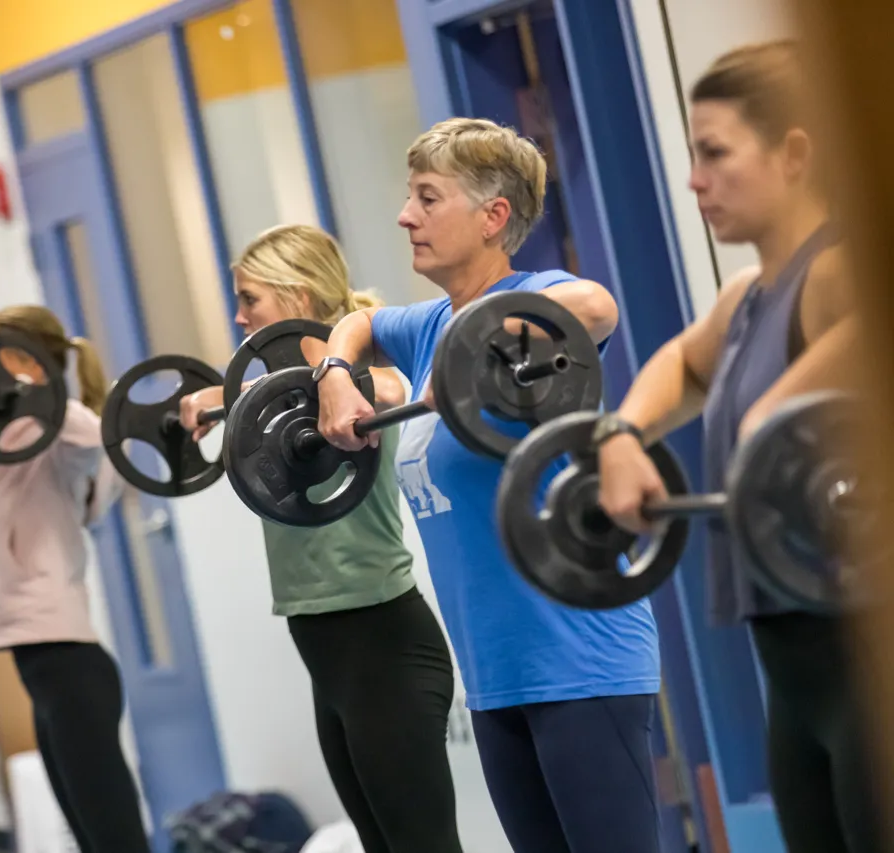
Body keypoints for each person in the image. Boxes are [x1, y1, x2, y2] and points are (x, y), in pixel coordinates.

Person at [315, 119, 662, 853]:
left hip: (582, 661)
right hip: (498, 676)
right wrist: (335, 379)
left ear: (493, 216)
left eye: (427, 198)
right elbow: (357, 321)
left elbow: (599, 306)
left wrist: (487, 341)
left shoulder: (539, 298)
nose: (405, 216)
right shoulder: (425, 324)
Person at [594, 41, 881, 852]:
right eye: (692, 155)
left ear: (794, 153)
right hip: (792, 673)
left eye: (714, 153)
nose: (694, 179)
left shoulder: (842, 275)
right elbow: (683, 362)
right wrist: (621, 433)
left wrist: (770, 424)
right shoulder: (745, 299)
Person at [179, 224, 463, 853]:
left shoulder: (360, 374)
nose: (238, 314)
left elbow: (392, 391)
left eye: (250, 298)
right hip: (324, 648)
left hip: (383, 643)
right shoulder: (273, 400)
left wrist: (233, 393)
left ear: (298, 296)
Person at [0, 306, 150, 853]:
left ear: (29, 363)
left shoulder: (59, 430)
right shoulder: (12, 433)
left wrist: (16, 396)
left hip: (68, 661)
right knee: (93, 841)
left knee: (117, 843)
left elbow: (95, 434)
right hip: (43, 663)